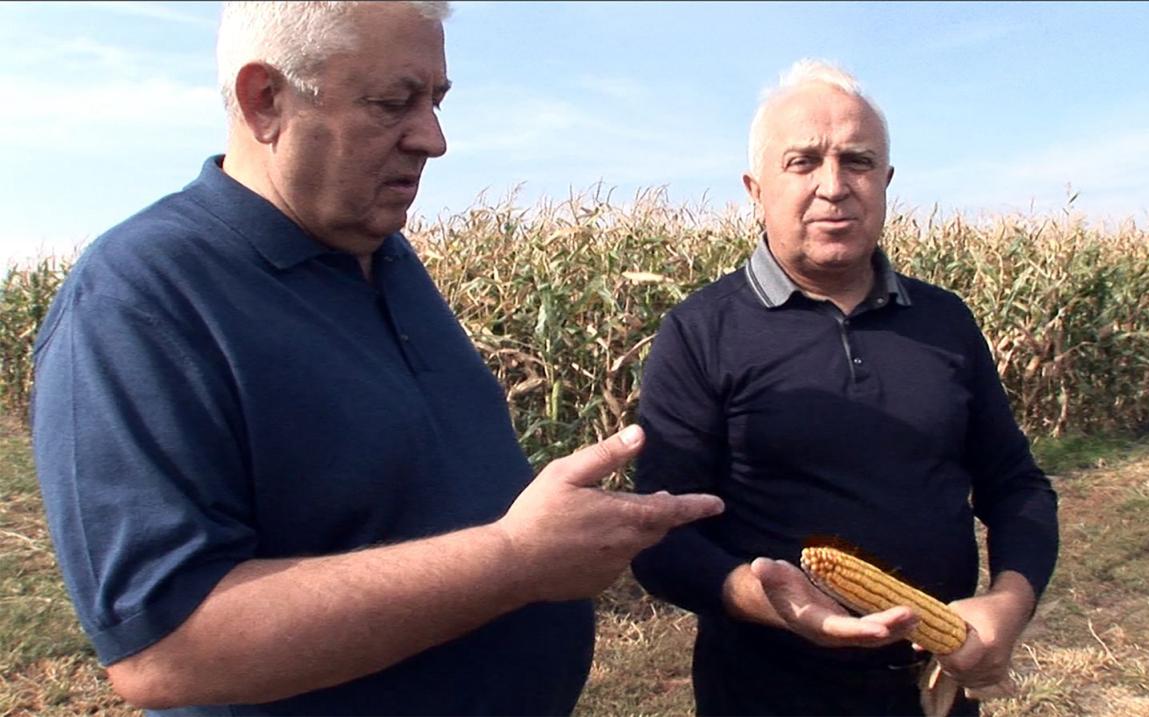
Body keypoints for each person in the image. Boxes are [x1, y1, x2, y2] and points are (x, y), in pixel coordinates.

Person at [30, 3, 723, 715]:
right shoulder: (141, 296)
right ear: (264, 100)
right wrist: (516, 558)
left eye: (436, 100)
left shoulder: (381, 255)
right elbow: (168, 648)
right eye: (394, 102)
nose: (433, 139)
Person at [630, 59, 1059, 716]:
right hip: (768, 693)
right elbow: (660, 536)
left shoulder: (945, 321)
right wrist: (763, 598)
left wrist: (1008, 602)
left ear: (885, 181)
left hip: (932, 690)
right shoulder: (700, 332)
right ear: (755, 188)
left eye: (857, 162)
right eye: (802, 162)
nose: (834, 186)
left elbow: (1016, 485)